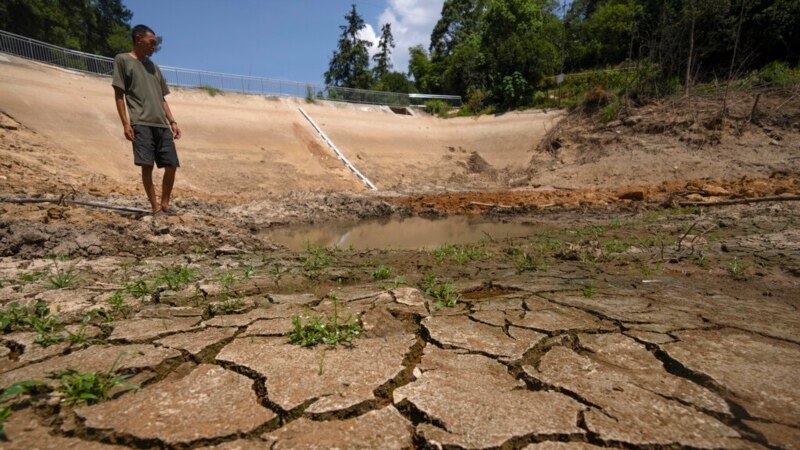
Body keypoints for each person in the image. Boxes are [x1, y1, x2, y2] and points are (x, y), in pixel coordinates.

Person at [112, 24, 182, 215]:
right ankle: (155, 207)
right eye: (151, 43)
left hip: (161, 123)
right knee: (147, 166)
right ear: (138, 39)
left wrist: (173, 121)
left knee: (172, 165)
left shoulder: (154, 67)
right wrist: (126, 123)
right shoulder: (123, 60)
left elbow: (162, 98)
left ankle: (166, 204)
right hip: (140, 122)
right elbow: (119, 94)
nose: (154, 47)